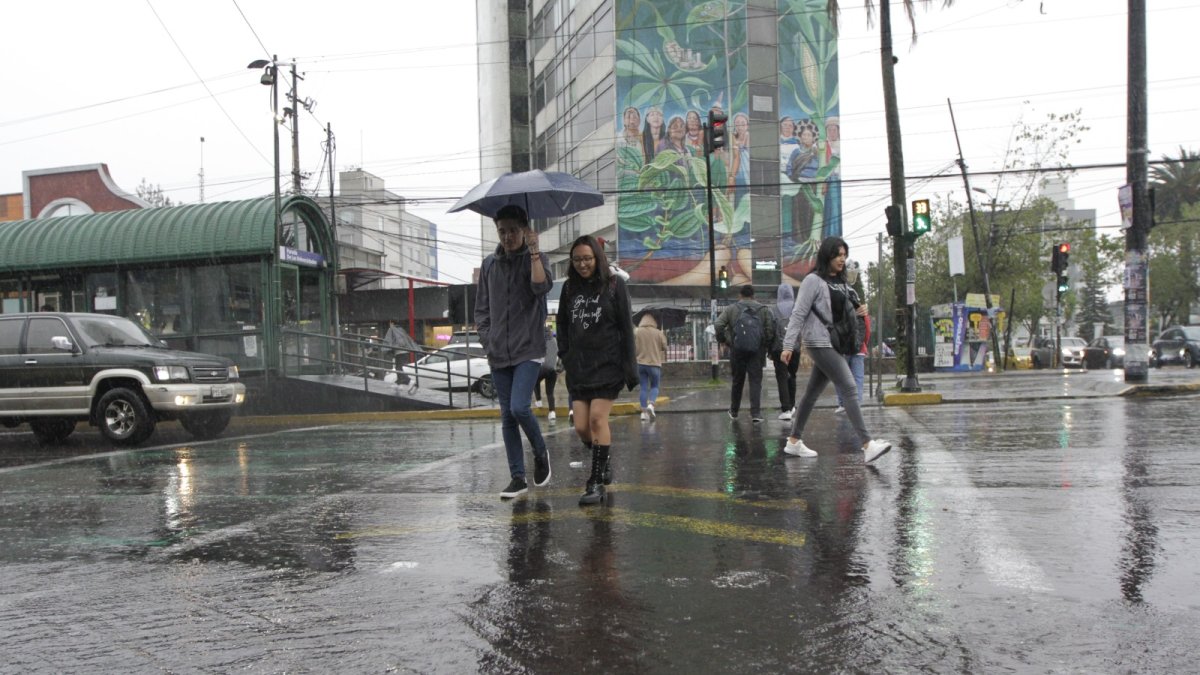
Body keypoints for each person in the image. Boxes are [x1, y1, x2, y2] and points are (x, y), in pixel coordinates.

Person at [780, 236, 892, 463]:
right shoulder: (813, 281)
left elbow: (845, 311)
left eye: (844, 255)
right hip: (819, 342)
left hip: (835, 343)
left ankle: (794, 441)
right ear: (827, 255)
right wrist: (788, 345)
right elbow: (799, 313)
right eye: (838, 255)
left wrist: (859, 310)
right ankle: (867, 444)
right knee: (850, 388)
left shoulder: (841, 282)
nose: (842, 259)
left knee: (811, 394)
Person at [475, 204, 554, 499]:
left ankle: (541, 450)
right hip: (499, 353)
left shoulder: (537, 259)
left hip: (528, 349)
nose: (507, 236)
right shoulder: (489, 265)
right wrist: (488, 338)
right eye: (502, 231)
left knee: (520, 407)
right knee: (507, 416)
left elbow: (540, 287)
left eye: (512, 230)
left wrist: (534, 251)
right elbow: (481, 309)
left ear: (524, 230)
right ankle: (517, 477)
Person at [557, 235, 638, 506]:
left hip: (608, 364)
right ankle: (603, 458)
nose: (582, 264)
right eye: (577, 259)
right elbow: (562, 326)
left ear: (598, 258)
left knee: (596, 420)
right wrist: (565, 355)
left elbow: (627, 328)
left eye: (587, 259)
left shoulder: (615, 285)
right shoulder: (569, 289)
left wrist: (630, 367)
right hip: (579, 367)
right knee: (580, 426)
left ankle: (595, 483)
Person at [714, 284, 775, 423]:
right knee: (755, 381)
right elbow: (770, 329)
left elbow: (718, 325)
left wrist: (725, 340)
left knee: (737, 381)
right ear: (754, 296)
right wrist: (763, 344)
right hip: (757, 351)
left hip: (737, 350)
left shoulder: (731, 309)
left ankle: (734, 411)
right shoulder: (763, 310)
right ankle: (756, 413)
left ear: (740, 296)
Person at [835, 260, 868, 413]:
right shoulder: (850, 294)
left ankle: (846, 403)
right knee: (855, 378)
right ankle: (853, 404)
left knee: (843, 377)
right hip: (853, 344)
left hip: (848, 345)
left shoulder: (843, 292)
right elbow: (865, 324)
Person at [768, 283, 799, 421]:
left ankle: (785, 408)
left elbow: (770, 331)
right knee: (792, 375)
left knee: (782, 378)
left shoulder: (773, 310)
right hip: (794, 348)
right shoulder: (797, 308)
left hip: (778, 349)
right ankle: (792, 406)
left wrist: (769, 348)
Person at [635, 312, 667, 422]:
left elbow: (633, 347)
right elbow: (664, 347)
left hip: (640, 364)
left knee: (643, 388)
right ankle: (651, 405)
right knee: (654, 386)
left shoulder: (637, 331)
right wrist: (662, 335)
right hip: (654, 364)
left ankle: (643, 413)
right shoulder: (658, 333)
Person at [533, 325, 559, 421]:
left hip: (541, 368)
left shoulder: (539, 341)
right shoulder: (554, 341)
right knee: (550, 392)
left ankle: (539, 401)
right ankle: (552, 412)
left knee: (535, 381)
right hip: (552, 370)